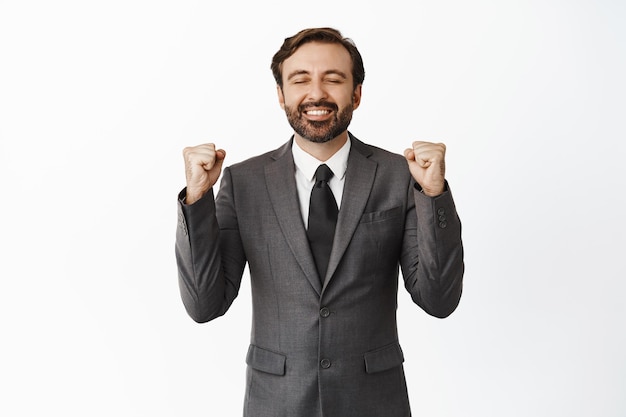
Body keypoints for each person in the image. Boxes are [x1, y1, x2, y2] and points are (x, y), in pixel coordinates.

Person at [175, 27, 464, 417]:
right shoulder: (243, 182)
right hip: (276, 402)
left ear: (356, 93)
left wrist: (433, 195)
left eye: (333, 79)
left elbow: (439, 299)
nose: (317, 94)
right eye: (300, 80)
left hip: (374, 402)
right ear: (281, 95)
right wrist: (196, 199)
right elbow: (204, 304)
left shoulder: (400, 175)